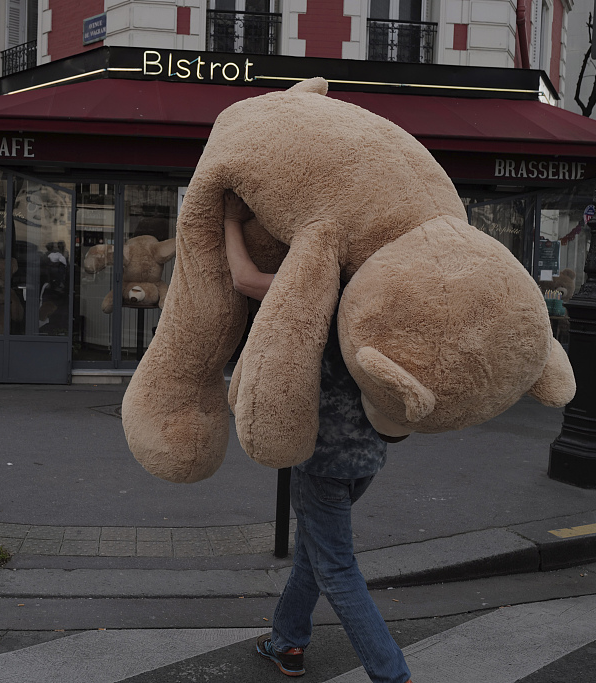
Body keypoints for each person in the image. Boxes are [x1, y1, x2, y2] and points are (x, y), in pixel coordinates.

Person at [222, 191, 413, 683]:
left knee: (336, 568)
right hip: (369, 453)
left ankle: (391, 673)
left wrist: (229, 222)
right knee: (315, 553)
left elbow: (243, 279)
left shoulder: (315, 289)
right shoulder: (375, 292)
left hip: (320, 453)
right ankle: (288, 642)